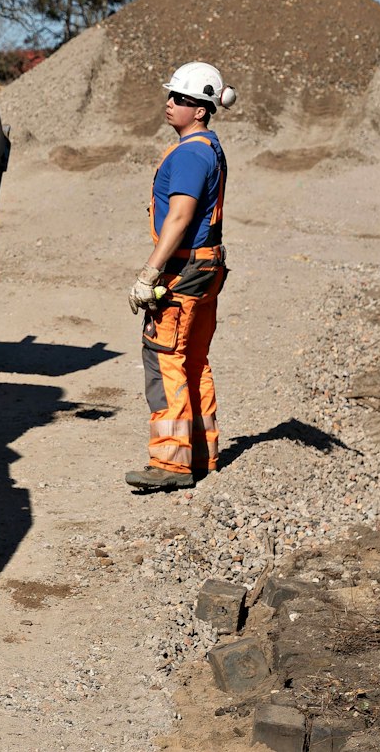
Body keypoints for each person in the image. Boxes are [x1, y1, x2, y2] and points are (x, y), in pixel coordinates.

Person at [126, 61, 237, 492]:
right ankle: (202, 452)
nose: (171, 103)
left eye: (183, 99)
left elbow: (180, 216)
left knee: (166, 356)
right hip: (207, 266)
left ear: (203, 109)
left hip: (185, 269)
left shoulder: (191, 153)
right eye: (172, 96)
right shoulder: (210, 146)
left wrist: (149, 271)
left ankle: (171, 463)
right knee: (193, 359)